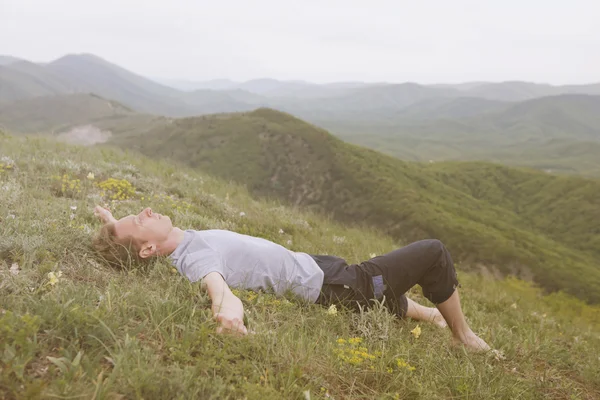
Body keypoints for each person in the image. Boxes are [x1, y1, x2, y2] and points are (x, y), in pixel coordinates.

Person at [93, 205, 491, 352]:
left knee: (382, 296)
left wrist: (114, 225)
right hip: (335, 286)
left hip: (316, 268)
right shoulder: (195, 258)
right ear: (146, 249)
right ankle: (463, 336)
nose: (144, 210)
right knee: (433, 252)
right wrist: (228, 314)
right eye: (137, 220)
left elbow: (130, 244)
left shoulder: (176, 245)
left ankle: (433, 317)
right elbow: (218, 288)